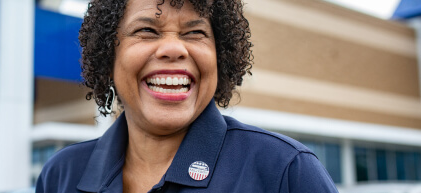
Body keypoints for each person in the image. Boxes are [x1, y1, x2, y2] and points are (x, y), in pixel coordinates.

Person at [36, 0, 339, 192]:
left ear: (219, 56)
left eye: (195, 33)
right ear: (108, 56)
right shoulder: (60, 176)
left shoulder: (284, 171)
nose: (174, 48)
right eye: (147, 30)